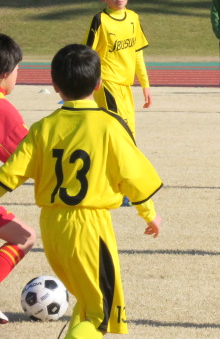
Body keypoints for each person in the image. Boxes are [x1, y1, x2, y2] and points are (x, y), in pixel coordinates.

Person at [0, 44, 162, 338]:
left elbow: (8, 176)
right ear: (99, 84)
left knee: (87, 305)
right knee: (101, 316)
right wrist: (149, 214)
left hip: (52, 228)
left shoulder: (43, 128)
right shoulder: (110, 126)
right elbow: (134, 178)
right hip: (89, 227)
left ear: (55, 85)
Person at [84, 0, 151, 137]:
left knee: (129, 130)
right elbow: (87, 54)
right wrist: (90, 81)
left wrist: (145, 85)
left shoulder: (133, 18)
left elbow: (137, 54)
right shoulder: (100, 20)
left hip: (125, 85)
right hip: (107, 83)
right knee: (116, 128)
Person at [0, 34, 36, 325]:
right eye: (17, 69)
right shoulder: (3, 110)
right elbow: (28, 158)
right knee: (24, 237)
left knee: (23, 235)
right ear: (4, 73)